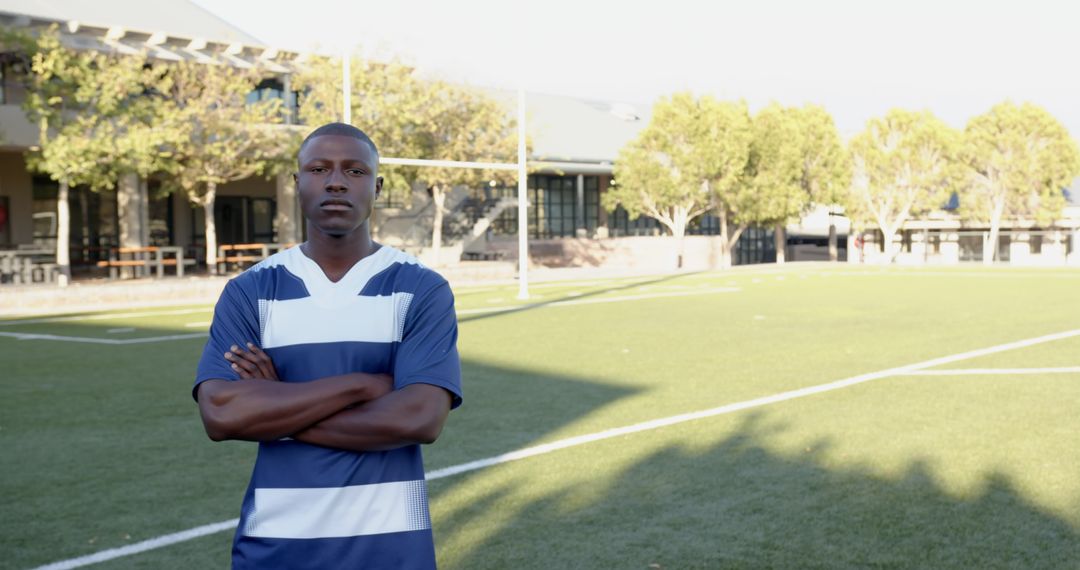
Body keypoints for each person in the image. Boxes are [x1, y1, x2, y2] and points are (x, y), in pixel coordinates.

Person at [193, 122, 461, 569]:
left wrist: (276, 402)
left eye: (354, 171)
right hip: (274, 551)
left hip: (392, 551)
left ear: (376, 187)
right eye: (319, 168)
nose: (336, 181)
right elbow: (221, 414)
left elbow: (419, 417)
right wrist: (361, 385)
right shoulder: (252, 290)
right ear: (298, 183)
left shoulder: (420, 288)